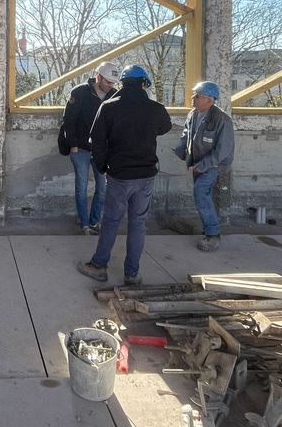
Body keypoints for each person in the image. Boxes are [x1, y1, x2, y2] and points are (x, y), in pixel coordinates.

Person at [76, 65, 172, 285]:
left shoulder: (109, 107)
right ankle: (132, 273)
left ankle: (99, 266)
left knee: (111, 221)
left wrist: (103, 167)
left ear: (122, 83)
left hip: (119, 175)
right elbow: (165, 127)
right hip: (146, 175)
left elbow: (96, 141)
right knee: (138, 223)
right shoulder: (155, 108)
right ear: (144, 84)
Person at [173, 81, 235, 252]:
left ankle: (213, 235)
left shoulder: (222, 120)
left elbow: (222, 151)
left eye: (197, 96)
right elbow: (187, 134)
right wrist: (181, 151)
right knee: (204, 195)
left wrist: (203, 165)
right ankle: (209, 228)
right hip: (197, 162)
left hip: (215, 165)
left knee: (200, 191)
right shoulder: (193, 114)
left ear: (209, 100)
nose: (193, 98)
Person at [61, 61, 121, 234]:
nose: (110, 85)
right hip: (80, 149)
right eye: (108, 81)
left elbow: (116, 124)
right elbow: (69, 120)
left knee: (102, 188)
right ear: (98, 77)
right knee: (81, 188)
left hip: (102, 151)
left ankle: (94, 221)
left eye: (113, 82)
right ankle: (84, 223)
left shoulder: (115, 95)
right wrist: (73, 145)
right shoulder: (79, 92)